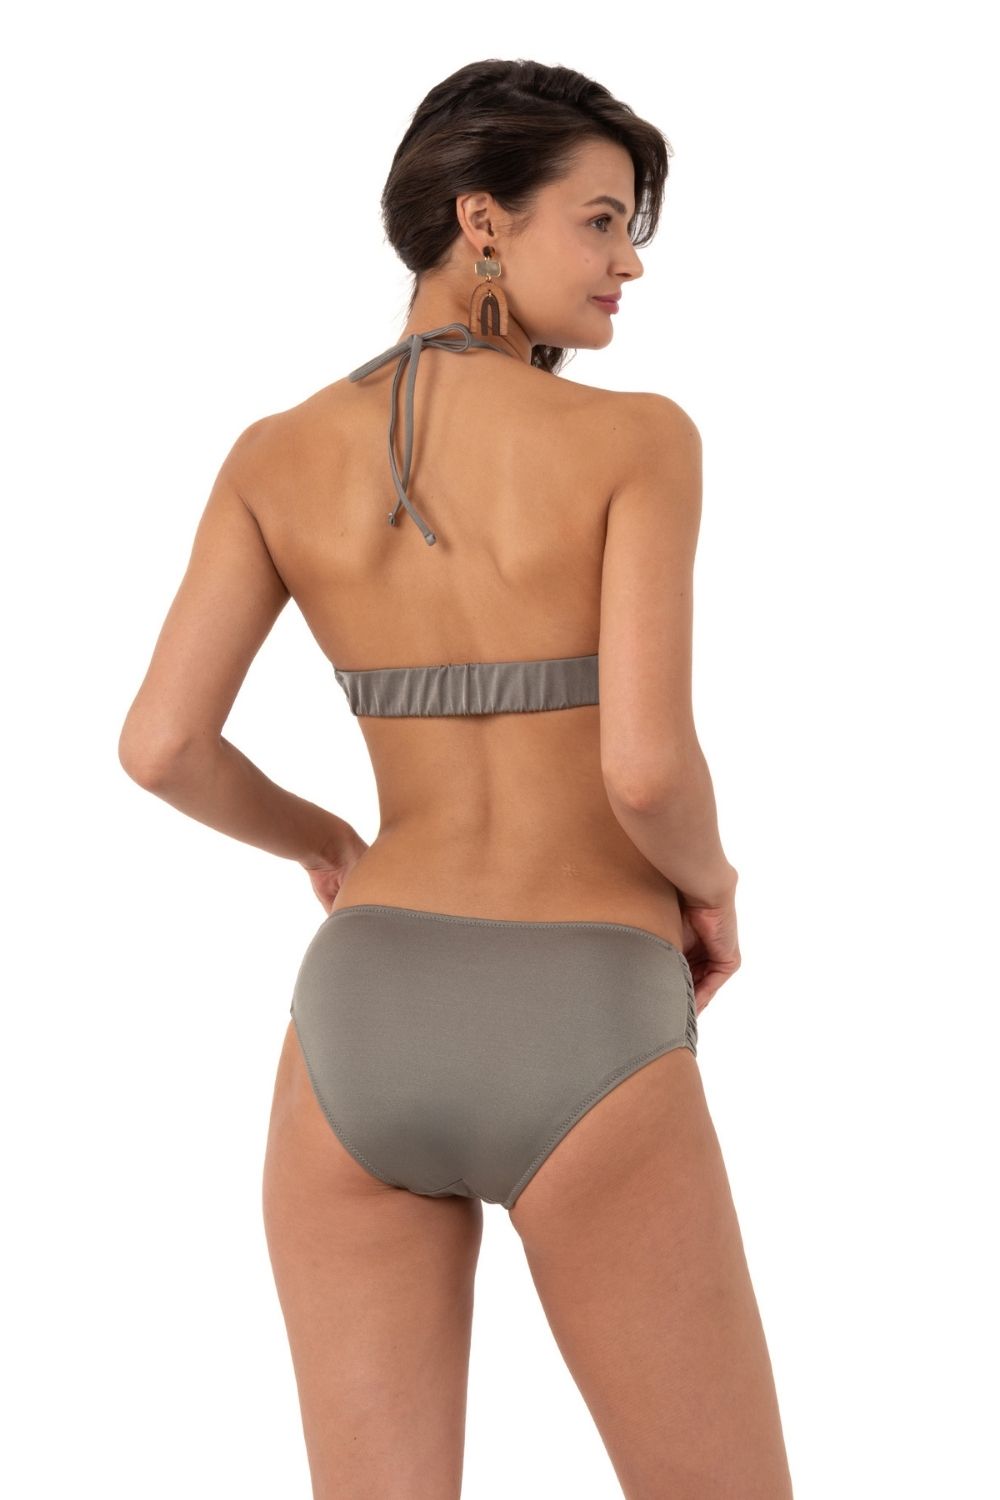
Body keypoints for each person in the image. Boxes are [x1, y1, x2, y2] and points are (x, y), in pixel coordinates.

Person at [118, 57, 793, 1500]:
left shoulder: (274, 456)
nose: (629, 264)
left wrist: (330, 842)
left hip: (357, 1018)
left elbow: (161, 746)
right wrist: (716, 890)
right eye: (601, 222)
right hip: (585, 1003)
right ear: (482, 220)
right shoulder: (637, 439)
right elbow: (645, 768)